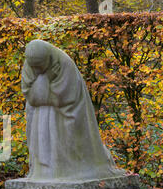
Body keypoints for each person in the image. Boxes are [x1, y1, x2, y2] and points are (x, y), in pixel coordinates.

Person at [21, 39, 124, 181]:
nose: (36, 70)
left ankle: (62, 169)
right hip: (40, 115)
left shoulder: (64, 63)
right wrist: (45, 81)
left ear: (48, 58)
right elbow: (30, 95)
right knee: (41, 137)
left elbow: (65, 97)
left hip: (65, 112)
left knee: (65, 139)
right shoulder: (30, 65)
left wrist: (43, 87)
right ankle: (46, 169)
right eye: (34, 67)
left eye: (40, 66)